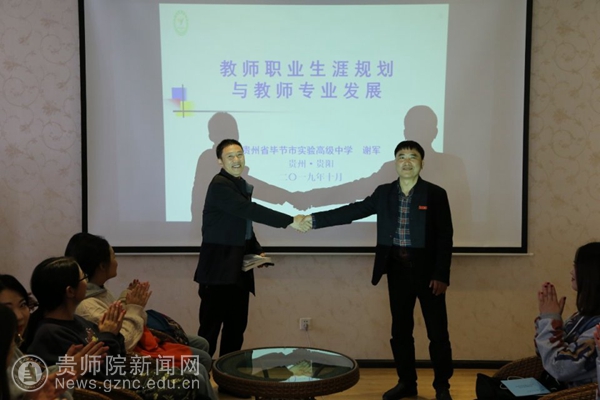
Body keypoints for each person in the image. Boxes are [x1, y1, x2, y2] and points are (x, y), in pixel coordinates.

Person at [304, 140, 454, 400]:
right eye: (401, 156)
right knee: (400, 332)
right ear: (395, 162)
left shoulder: (435, 194)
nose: (406, 161)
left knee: (438, 334)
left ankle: (442, 387)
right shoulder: (384, 193)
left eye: (413, 156)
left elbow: (445, 237)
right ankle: (407, 383)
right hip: (397, 270)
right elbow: (352, 211)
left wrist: (441, 274)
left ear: (422, 162)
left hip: (428, 273)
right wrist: (313, 220)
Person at [194, 138, 305, 392]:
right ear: (220, 161)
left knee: (235, 331)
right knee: (209, 334)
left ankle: (230, 383)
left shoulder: (239, 185)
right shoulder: (220, 185)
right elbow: (250, 211)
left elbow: (244, 226)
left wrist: (256, 251)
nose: (236, 160)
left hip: (238, 272)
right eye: (230, 156)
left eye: (240, 155)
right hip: (217, 272)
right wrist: (291, 220)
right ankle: (197, 387)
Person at [24, 257, 218, 400]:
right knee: (194, 378)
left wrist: (113, 333)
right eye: (83, 278)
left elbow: (117, 354)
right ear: (70, 291)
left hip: (124, 375)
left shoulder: (75, 320)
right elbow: (100, 373)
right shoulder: (50, 333)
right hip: (117, 388)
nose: (86, 282)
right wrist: (109, 333)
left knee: (196, 374)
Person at [64, 232, 213, 374]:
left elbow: (117, 319)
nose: (116, 262)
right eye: (114, 256)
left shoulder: (98, 290)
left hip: (138, 344)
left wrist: (126, 300)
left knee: (201, 344)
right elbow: (124, 342)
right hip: (130, 358)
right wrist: (135, 307)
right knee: (202, 362)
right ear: (102, 266)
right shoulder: (87, 306)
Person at [536, 242, 600, 388]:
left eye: (576, 266)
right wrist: (551, 321)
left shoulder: (597, 329)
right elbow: (544, 354)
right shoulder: (582, 315)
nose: (571, 272)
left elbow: (559, 368)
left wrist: (549, 321)